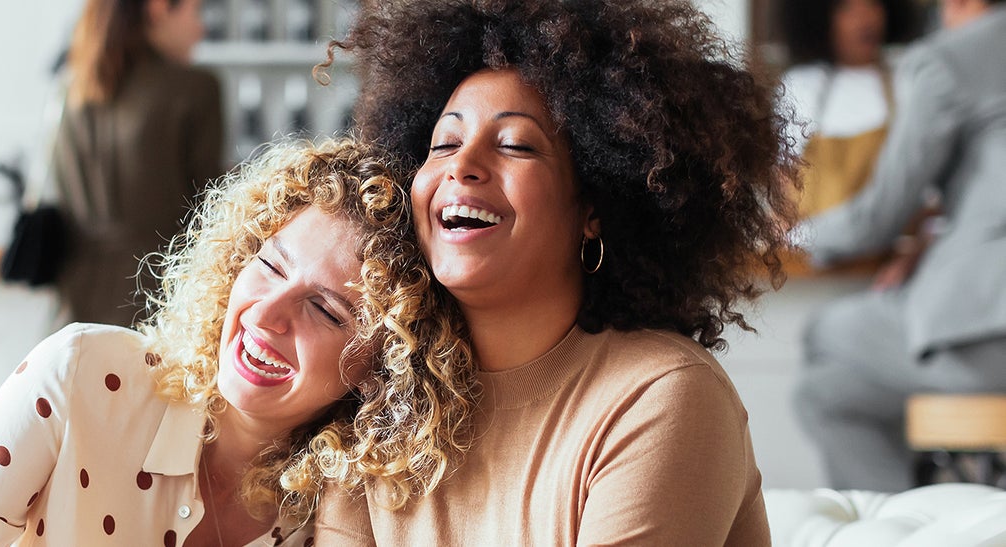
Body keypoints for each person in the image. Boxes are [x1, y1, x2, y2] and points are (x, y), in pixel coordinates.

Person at [316, 0, 797, 544]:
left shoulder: (661, 397)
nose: (462, 164)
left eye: (516, 145)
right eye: (444, 143)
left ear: (593, 209)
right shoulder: (381, 399)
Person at [0, 139, 465, 546]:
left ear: (380, 366)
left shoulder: (338, 519)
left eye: (323, 308)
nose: (265, 314)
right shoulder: (80, 374)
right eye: (268, 265)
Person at [793, 0, 1006, 493]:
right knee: (825, 395)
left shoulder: (949, 57)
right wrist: (934, 236)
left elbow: (878, 216)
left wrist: (794, 233)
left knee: (823, 331)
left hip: (989, 327)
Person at [52, 0, 227, 327]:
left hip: (72, 306)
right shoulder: (195, 89)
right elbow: (211, 213)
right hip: (158, 301)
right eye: (195, 11)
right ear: (159, 8)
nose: (201, 29)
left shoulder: (73, 89)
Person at [780, 0, 918, 218]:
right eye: (846, 7)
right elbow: (785, 180)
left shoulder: (907, 77)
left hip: (895, 243)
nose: (864, 18)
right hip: (814, 246)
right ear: (821, 17)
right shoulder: (801, 85)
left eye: (872, 3)